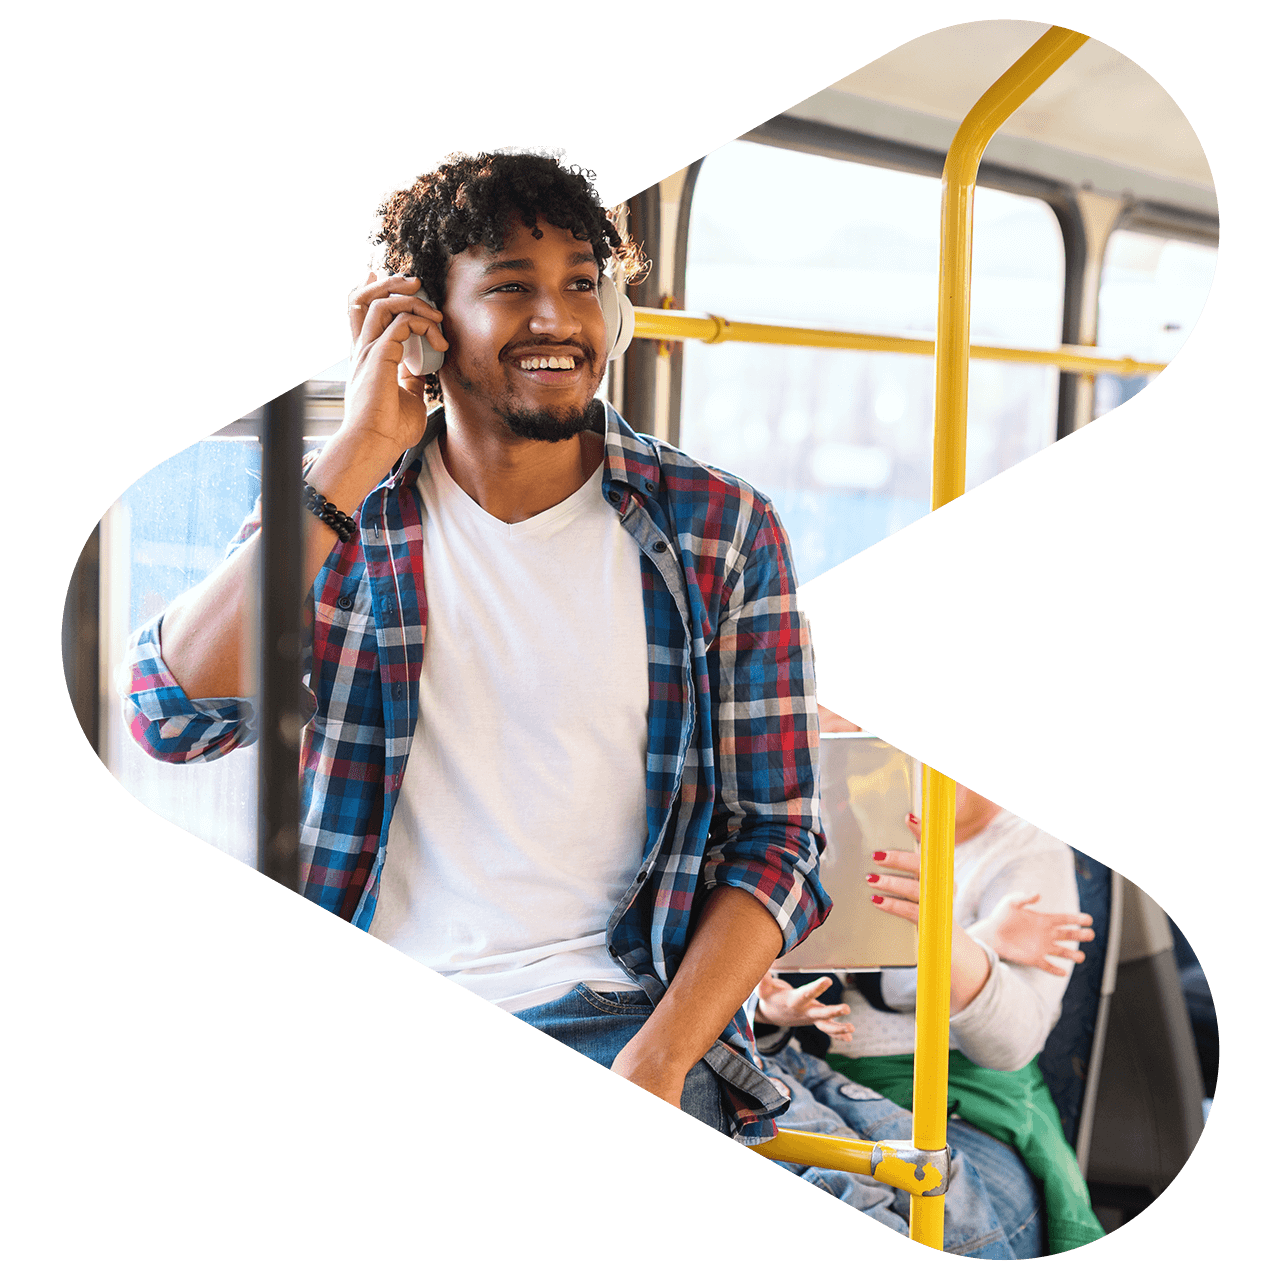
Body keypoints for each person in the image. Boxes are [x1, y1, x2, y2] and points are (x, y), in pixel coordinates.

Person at [117, 146, 830, 1141]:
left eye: (581, 285)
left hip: (610, 1019)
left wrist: (658, 1059)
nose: (558, 321)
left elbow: (781, 838)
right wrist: (354, 452)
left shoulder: (718, 529)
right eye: (509, 287)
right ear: (421, 326)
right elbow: (169, 717)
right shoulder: (343, 515)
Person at [749, 746, 1105, 1256]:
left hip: (958, 1102)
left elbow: (1009, 1045)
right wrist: (987, 939)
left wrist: (950, 934)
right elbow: (814, 981)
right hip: (811, 1073)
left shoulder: (1030, 852)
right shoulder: (842, 819)